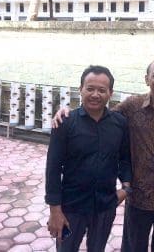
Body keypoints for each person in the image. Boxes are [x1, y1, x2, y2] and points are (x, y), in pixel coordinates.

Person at [53, 59, 154, 252]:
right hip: (139, 197)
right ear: (147, 79)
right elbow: (100, 114)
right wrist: (66, 111)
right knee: (133, 247)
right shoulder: (131, 106)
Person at [45, 65, 132, 252]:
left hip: (105, 207)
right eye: (90, 88)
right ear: (80, 90)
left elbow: (125, 159)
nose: (95, 94)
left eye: (102, 90)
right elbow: (52, 168)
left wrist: (126, 188)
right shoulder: (65, 123)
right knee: (65, 248)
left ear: (110, 93)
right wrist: (55, 210)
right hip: (70, 208)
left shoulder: (119, 124)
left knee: (97, 249)